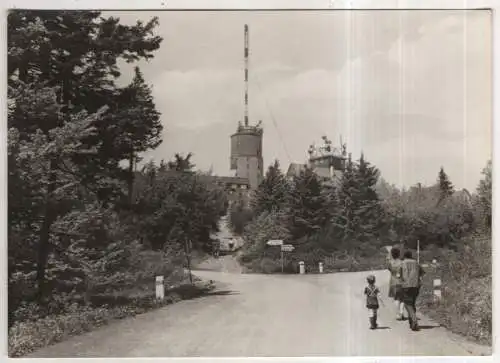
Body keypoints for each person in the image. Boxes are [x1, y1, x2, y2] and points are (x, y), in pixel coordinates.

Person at [399, 250, 425, 331]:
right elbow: (422, 273)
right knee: (412, 303)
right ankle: (411, 322)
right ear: (411, 256)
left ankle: (414, 320)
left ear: (405, 256)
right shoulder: (416, 263)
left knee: (407, 304)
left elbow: (398, 275)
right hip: (416, 285)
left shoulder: (402, 263)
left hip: (406, 286)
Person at [387, 247, 405, 320]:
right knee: (403, 299)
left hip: (393, 282)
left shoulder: (390, 263)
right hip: (401, 282)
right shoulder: (402, 262)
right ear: (399, 254)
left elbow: (389, 269)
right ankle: (401, 312)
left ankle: (398, 314)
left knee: (396, 298)